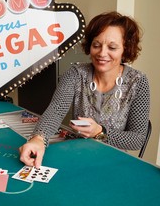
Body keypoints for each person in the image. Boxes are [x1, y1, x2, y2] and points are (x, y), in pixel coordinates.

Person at [19, 11, 150, 168]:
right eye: (96, 45)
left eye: (112, 47)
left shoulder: (138, 81)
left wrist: (100, 132)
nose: (102, 53)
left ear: (125, 49)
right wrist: (38, 138)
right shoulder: (76, 73)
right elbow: (56, 110)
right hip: (76, 155)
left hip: (114, 163)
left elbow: (137, 139)